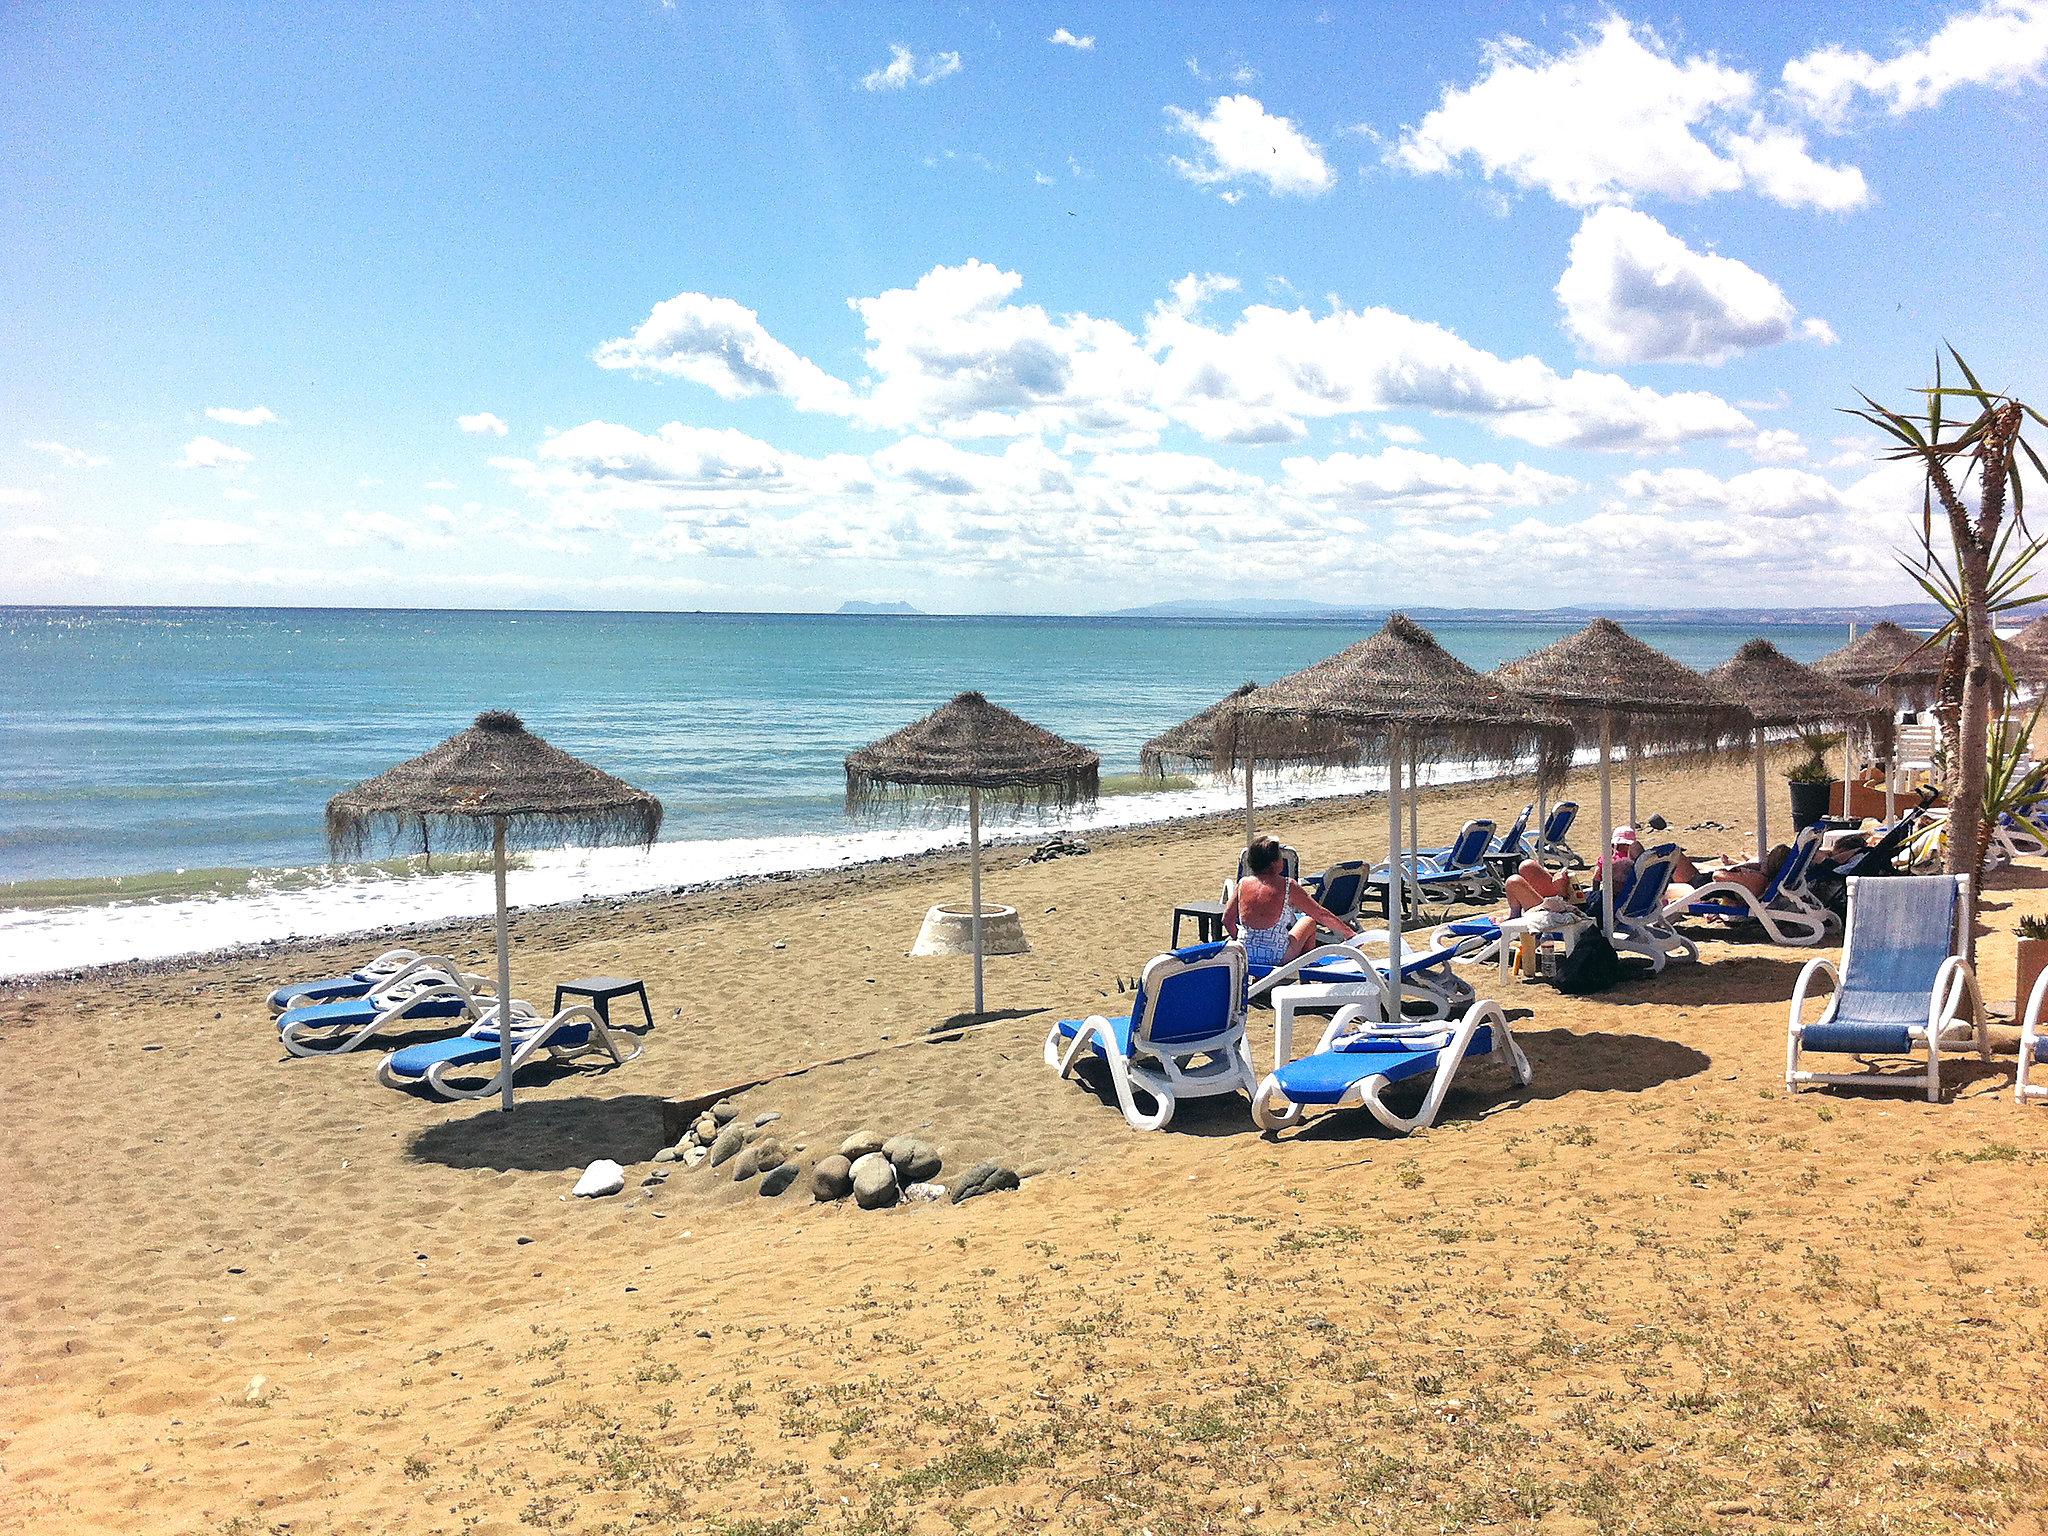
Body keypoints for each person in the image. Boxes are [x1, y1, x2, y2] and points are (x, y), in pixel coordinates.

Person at [1223, 835, 1360, 967]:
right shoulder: (1288, 885)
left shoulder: (1243, 883)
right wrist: (1349, 933)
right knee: (1309, 921)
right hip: (1278, 956)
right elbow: (1320, 914)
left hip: (1245, 953)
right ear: (1273, 862)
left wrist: (1247, 941)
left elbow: (1227, 920)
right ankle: (1306, 971)